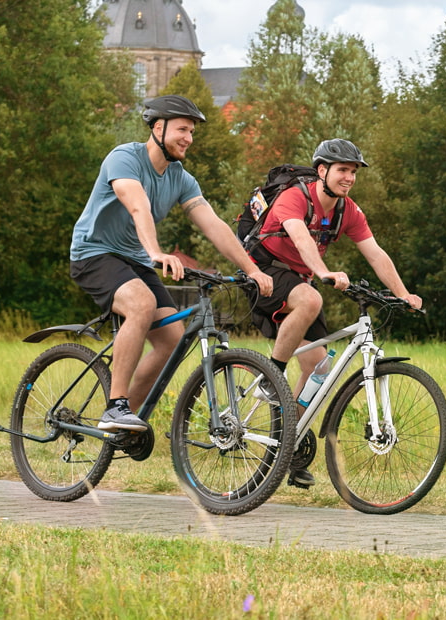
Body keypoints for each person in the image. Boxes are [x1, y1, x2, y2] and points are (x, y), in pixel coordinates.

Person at [70, 95, 273, 432]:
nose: (188, 138)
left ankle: (124, 425)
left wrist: (252, 269)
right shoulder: (124, 158)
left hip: (134, 260)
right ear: (158, 127)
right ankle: (115, 406)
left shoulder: (180, 178)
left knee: (171, 339)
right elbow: (138, 207)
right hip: (94, 253)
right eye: (182, 129)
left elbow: (214, 226)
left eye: (192, 132)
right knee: (141, 304)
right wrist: (155, 252)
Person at [245, 138, 422, 487]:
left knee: (319, 367)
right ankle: (271, 376)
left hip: (299, 278)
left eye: (353, 172)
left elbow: (374, 252)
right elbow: (299, 237)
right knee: (311, 300)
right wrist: (322, 272)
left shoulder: (348, 211)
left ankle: (286, 443)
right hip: (263, 270)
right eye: (342, 170)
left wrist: (402, 293)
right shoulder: (295, 196)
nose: (349, 178)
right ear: (322, 170)